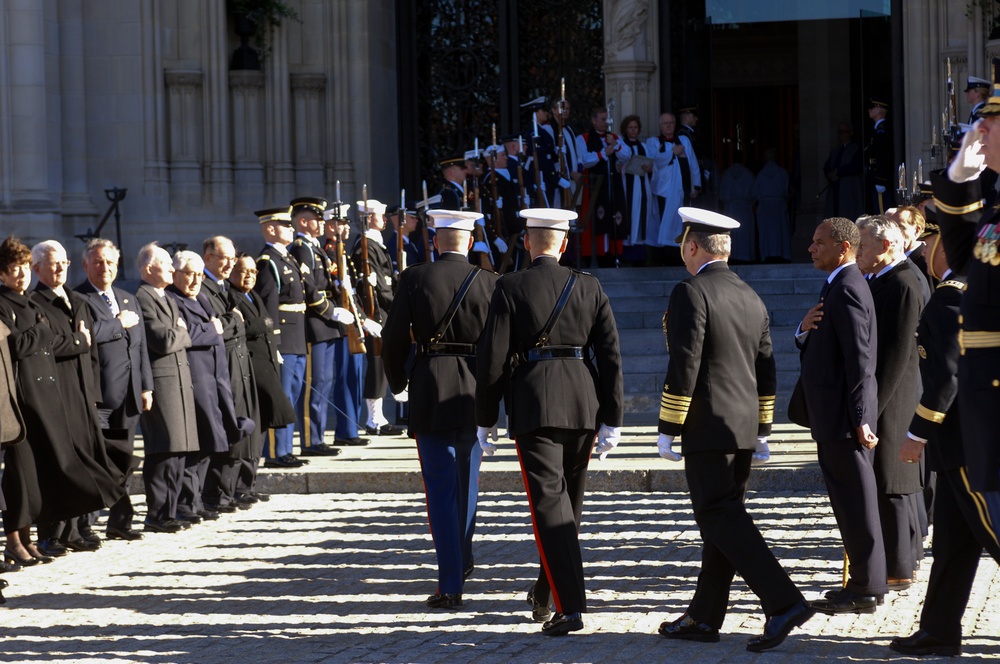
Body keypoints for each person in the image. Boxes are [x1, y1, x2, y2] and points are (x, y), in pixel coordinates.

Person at [655, 208, 811, 651]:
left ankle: (783, 602)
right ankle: (705, 616)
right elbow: (767, 368)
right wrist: (762, 426)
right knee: (721, 522)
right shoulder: (749, 294)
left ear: (692, 246)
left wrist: (669, 423)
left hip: (708, 425)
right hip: (741, 425)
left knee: (719, 516)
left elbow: (684, 362)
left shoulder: (691, 290)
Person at [475, 208, 624, 636]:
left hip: (534, 402)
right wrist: (612, 417)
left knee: (550, 510)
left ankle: (570, 607)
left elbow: (492, 361)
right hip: (583, 402)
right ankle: (546, 593)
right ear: (563, 244)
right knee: (567, 509)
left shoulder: (510, 286)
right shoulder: (589, 285)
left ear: (527, 242)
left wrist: (486, 418)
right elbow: (610, 356)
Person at [889, 225, 1000, 657]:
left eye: (927, 243)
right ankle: (938, 628)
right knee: (953, 541)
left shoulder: (952, 295)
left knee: (994, 533)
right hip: (967, 440)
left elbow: (947, 377)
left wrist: (917, 433)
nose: (922, 252)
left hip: (967, 443)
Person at [382, 209, 499, 609]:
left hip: (431, 385)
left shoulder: (415, 277)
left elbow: (393, 337)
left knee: (440, 490)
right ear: (468, 242)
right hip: (475, 388)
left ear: (435, 241)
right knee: (467, 483)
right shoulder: (490, 282)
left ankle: (450, 582)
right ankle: (463, 557)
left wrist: (398, 383)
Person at [0, 236, 119, 565]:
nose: (21, 275)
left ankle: (27, 540)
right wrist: (44, 333)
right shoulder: (5, 303)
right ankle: (17, 540)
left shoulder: (31, 304)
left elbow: (51, 343)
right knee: (20, 474)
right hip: (19, 400)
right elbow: (17, 347)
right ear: (3, 274)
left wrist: (54, 335)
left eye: (23, 269)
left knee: (38, 474)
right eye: (14, 270)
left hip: (44, 396)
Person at [795, 218, 887, 613]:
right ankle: (861, 582)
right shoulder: (836, 282)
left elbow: (860, 358)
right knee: (845, 502)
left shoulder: (848, 286)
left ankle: (868, 587)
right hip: (831, 416)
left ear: (843, 248)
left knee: (857, 502)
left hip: (844, 419)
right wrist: (802, 331)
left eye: (819, 243)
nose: (811, 249)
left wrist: (862, 417)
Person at [931, 83, 1000, 544]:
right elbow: (960, 258)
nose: (979, 133)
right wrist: (961, 175)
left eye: (989, 126)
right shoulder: (995, 204)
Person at [31, 240, 124, 554]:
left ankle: (74, 529)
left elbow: (92, 353)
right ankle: (50, 534)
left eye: (64, 263)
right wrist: (78, 340)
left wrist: (94, 393)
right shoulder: (34, 303)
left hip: (82, 393)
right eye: (53, 264)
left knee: (82, 462)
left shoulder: (77, 300)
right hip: (54, 395)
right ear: (37, 268)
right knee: (56, 465)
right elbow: (49, 346)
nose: (59, 269)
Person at [855, 215, 925, 589]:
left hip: (893, 399)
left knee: (892, 483)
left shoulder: (903, 284)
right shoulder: (881, 278)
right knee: (887, 482)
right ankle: (899, 562)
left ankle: (899, 567)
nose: (857, 253)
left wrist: (870, 410)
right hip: (885, 396)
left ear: (885, 247)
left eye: (863, 246)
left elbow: (895, 355)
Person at [76, 238, 153, 541]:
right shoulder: (78, 298)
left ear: (117, 265)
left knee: (124, 461)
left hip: (130, 395)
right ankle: (84, 523)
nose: (104, 267)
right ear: (85, 265)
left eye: (109, 262)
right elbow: (86, 336)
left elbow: (142, 347)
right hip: (99, 396)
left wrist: (146, 386)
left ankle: (120, 521)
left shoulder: (127, 297)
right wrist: (118, 324)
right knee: (96, 460)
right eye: (97, 261)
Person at [135, 242, 199, 533]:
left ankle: (171, 511)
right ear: (149, 269)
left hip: (179, 379)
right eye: (166, 264)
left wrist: (180, 332)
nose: (173, 269)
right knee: (163, 450)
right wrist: (182, 331)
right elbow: (162, 339)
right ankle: (157, 514)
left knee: (179, 450)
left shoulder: (166, 296)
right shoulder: (143, 296)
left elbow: (177, 333)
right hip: (162, 382)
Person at [287, 197, 357, 456]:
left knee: (325, 381)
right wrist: (331, 309)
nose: (322, 222)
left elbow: (322, 282)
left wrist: (337, 288)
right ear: (304, 222)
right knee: (314, 384)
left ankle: (316, 437)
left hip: (326, 323)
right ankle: (310, 439)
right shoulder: (301, 248)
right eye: (318, 219)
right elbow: (308, 288)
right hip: (316, 322)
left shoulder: (315, 248)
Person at [200, 236, 264, 510]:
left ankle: (233, 489)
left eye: (231, 258)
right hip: (222, 366)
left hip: (238, 364)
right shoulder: (203, 288)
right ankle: (218, 494)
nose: (230, 263)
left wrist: (232, 322)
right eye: (223, 258)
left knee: (243, 424)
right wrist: (234, 321)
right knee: (229, 428)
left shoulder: (223, 286)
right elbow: (218, 330)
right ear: (208, 258)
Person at [227, 253, 295, 502]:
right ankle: (240, 486)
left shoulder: (252, 295)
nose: (249, 276)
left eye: (253, 272)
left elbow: (263, 323)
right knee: (250, 428)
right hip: (250, 369)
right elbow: (249, 325)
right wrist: (260, 323)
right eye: (244, 271)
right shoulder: (230, 295)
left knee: (263, 424)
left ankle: (250, 483)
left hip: (265, 366)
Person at [353, 199, 404, 437]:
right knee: (376, 363)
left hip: (382, 308)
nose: (384, 219)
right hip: (374, 310)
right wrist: (394, 301)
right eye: (379, 216)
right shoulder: (365, 244)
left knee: (381, 363)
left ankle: (379, 416)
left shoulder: (374, 243)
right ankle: (373, 419)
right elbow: (375, 283)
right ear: (367, 218)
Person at [322, 210, 369, 447]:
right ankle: (346, 429)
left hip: (351, 322)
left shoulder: (343, 254)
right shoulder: (328, 252)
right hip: (340, 327)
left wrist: (362, 319)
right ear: (330, 226)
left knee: (355, 377)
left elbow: (353, 293)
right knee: (345, 378)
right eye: (342, 223)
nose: (347, 228)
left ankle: (351, 427)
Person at [639, 113, 698, 258]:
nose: (669, 126)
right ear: (660, 125)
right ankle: (663, 253)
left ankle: (680, 252)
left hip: (682, 188)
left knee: (681, 221)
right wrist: (672, 152)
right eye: (665, 123)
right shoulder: (653, 142)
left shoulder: (683, 140)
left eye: (671, 123)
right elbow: (653, 161)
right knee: (664, 221)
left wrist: (696, 185)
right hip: (663, 190)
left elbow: (693, 163)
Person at [577, 106, 625, 267]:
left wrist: (616, 145)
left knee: (614, 217)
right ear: (594, 120)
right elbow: (585, 159)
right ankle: (596, 255)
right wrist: (605, 152)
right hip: (594, 187)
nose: (606, 123)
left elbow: (627, 155)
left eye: (608, 119)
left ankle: (613, 254)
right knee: (596, 218)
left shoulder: (615, 137)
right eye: (603, 119)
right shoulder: (583, 138)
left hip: (613, 185)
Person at [617, 115, 655, 259]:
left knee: (642, 215)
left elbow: (652, 166)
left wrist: (649, 168)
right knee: (629, 214)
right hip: (628, 185)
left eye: (635, 128)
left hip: (642, 184)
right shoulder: (622, 146)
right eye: (630, 128)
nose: (633, 131)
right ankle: (626, 253)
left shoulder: (643, 146)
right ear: (625, 130)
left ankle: (640, 254)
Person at [752, 148, 792, 262]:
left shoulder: (761, 174)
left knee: (767, 233)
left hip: (765, 206)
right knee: (779, 231)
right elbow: (785, 190)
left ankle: (767, 254)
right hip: (778, 205)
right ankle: (781, 254)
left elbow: (755, 192)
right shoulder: (782, 172)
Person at [823, 122, 864, 222]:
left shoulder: (855, 149)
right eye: (839, 132)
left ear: (850, 133)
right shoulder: (835, 150)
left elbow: (856, 166)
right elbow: (827, 166)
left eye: (844, 132)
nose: (841, 134)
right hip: (836, 188)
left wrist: (839, 173)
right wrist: (830, 174)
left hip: (848, 187)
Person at [719, 151, 756, 262]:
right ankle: (745, 256)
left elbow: (721, 194)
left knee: (733, 234)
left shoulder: (726, 174)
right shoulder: (748, 174)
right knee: (744, 234)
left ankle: (732, 256)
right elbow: (754, 193)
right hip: (744, 207)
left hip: (731, 208)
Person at [867, 98, 894, 213]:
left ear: (879, 110)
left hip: (881, 179)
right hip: (875, 177)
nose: (869, 110)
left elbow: (883, 156)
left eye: (872, 107)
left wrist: (881, 180)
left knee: (883, 215)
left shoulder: (882, 130)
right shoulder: (877, 130)